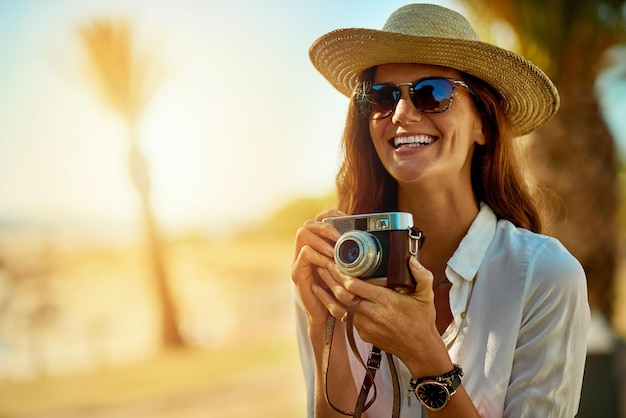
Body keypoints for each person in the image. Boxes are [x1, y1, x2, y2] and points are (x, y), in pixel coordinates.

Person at [292, 3, 590, 418]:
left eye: (433, 92)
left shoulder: (546, 277)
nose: (400, 114)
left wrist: (426, 357)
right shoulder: (336, 267)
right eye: (382, 96)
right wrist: (324, 328)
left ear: (483, 123)